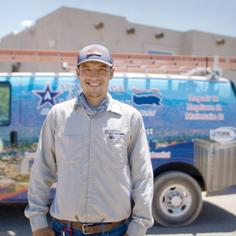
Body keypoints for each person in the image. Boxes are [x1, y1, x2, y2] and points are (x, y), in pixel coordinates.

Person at [25, 44, 154, 236]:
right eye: (86, 69)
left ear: (112, 73)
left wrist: (138, 227)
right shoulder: (57, 115)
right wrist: (38, 222)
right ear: (77, 73)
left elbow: (142, 175)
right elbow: (42, 170)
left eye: (101, 69)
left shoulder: (130, 117)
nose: (94, 76)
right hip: (64, 229)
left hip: (115, 231)